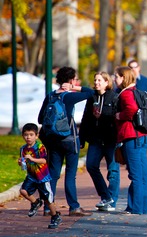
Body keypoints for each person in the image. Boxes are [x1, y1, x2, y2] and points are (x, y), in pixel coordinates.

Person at [38, 66, 94, 217]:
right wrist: (75, 87)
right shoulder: (69, 96)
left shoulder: (50, 96)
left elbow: (40, 119)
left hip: (53, 141)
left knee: (53, 174)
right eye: (74, 79)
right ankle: (74, 207)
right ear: (70, 80)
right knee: (70, 174)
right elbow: (91, 92)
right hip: (69, 140)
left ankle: (48, 207)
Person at [79, 71, 120, 212]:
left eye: (99, 80)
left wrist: (101, 116)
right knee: (91, 165)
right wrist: (82, 138)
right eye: (95, 80)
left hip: (110, 140)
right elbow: (85, 119)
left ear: (106, 82)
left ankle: (111, 202)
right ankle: (106, 196)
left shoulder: (114, 97)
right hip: (95, 140)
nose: (96, 83)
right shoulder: (92, 98)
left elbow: (116, 119)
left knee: (113, 171)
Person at [114, 66, 147, 215]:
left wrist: (119, 116)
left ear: (123, 78)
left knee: (135, 175)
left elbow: (132, 109)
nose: (114, 79)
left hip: (131, 136)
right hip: (141, 136)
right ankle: (141, 207)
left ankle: (136, 208)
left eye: (116, 76)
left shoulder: (126, 94)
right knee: (142, 174)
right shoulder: (136, 91)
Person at [18, 123, 62, 229]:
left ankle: (55, 216)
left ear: (36, 136)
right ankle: (35, 202)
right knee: (23, 191)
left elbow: (44, 160)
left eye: (31, 134)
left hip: (42, 177)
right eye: (26, 135)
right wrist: (21, 162)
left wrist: (32, 159)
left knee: (48, 199)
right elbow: (23, 161)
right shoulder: (23, 149)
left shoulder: (39, 147)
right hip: (31, 176)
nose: (28, 137)